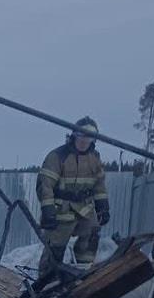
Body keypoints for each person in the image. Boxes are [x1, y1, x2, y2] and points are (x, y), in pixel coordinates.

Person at [37, 116, 110, 278]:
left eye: (89, 138)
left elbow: (99, 185)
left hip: (84, 209)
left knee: (92, 233)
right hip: (61, 209)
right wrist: (48, 209)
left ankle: (83, 272)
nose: (84, 141)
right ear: (74, 135)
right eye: (81, 136)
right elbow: (45, 185)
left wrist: (103, 207)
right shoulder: (57, 156)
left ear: (94, 140)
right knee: (55, 246)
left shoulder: (94, 158)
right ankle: (46, 280)